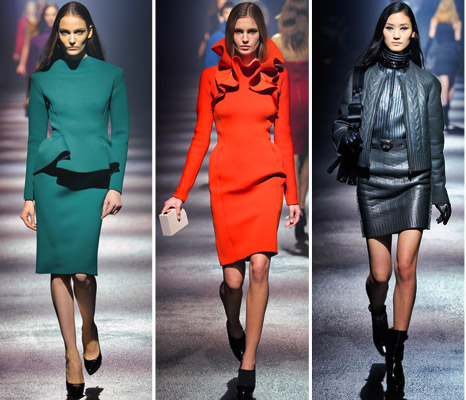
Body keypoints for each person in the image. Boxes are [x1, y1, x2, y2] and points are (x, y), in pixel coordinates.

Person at [161, 3, 299, 399]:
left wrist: (292, 194)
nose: (245, 38)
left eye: (252, 32)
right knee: (232, 280)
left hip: (266, 179)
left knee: (260, 268)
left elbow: (284, 136)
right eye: (238, 31)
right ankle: (234, 324)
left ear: (262, 35)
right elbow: (200, 138)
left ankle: (249, 359)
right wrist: (179, 194)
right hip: (226, 182)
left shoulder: (277, 74)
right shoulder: (211, 77)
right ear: (229, 34)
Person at [331, 2, 451, 397]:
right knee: (380, 275)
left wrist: (439, 191)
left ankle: (397, 354)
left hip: (414, 178)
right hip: (373, 178)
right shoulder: (360, 77)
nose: (396, 35)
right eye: (390, 28)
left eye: (403, 28)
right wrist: (345, 137)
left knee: (405, 266)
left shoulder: (428, 83)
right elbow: (339, 122)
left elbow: (435, 142)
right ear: (381, 32)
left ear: (413, 33)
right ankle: (377, 310)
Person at [19, 2, 128, 397]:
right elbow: (35, 139)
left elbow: (121, 132)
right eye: (64, 32)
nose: (71, 39)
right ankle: (70, 354)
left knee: (83, 272)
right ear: (57, 34)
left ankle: (89, 327)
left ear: (90, 32)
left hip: (94, 178)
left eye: (78, 31)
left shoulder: (111, 75)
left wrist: (116, 184)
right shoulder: (42, 79)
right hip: (52, 179)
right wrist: (29, 196)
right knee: (59, 270)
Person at [271, 0, 309, 243]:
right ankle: (302, 206)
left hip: (287, 100)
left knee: (292, 155)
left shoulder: (276, 42)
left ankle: (294, 203)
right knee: (307, 156)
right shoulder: (310, 41)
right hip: (308, 98)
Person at [428, 0, 461, 130]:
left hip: (441, 54)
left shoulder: (435, 20)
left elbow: (431, 39)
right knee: (451, 85)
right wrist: (460, 61)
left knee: (444, 86)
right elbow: (458, 43)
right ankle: (446, 117)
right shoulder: (456, 22)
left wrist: (424, 53)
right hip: (452, 54)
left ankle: (444, 118)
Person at [16, 2, 58, 77]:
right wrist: (22, 64)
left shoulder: (62, 32)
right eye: (47, 15)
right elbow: (26, 45)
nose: (50, 18)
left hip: (53, 72)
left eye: (53, 14)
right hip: (34, 68)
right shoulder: (34, 28)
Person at [203, 1, 234, 69]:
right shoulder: (215, 37)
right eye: (226, 13)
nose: (230, 15)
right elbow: (211, 65)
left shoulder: (243, 35)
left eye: (232, 12)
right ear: (221, 16)